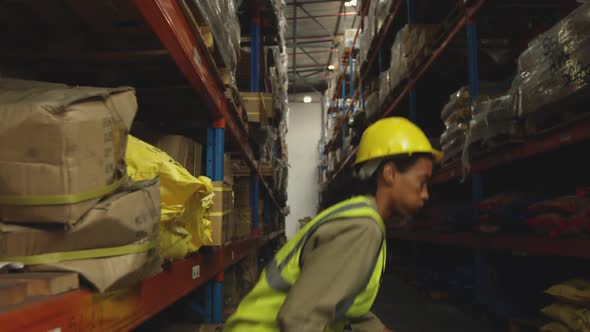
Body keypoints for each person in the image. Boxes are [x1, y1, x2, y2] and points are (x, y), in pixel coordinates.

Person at [224, 117, 442, 332]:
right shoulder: (362, 227)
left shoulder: (360, 216)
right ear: (390, 173)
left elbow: (339, 300)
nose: (426, 194)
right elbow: (300, 321)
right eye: (422, 182)